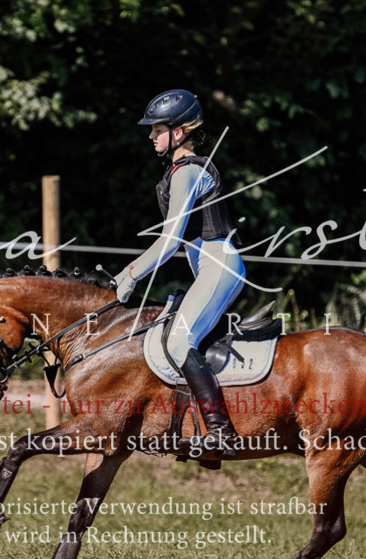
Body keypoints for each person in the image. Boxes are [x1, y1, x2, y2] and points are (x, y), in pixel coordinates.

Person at [114, 89, 246, 459]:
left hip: (219, 266)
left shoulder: (188, 170)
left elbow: (169, 241)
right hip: (210, 267)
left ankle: (221, 433)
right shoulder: (179, 171)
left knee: (177, 342)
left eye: (157, 129)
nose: (151, 136)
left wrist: (129, 275)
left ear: (179, 132)